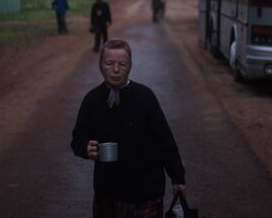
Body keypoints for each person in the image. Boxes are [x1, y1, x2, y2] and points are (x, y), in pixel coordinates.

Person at [71, 39, 186, 218]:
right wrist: (86, 147)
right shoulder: (92, 100)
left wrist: (178, 177)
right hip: (107, 193)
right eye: (109, 63)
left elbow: (165, 141)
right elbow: (78, 138)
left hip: (145, 193)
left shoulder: (145, 97)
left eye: (122, 64)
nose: (116, 70)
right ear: (100, 65)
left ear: (130, 65)